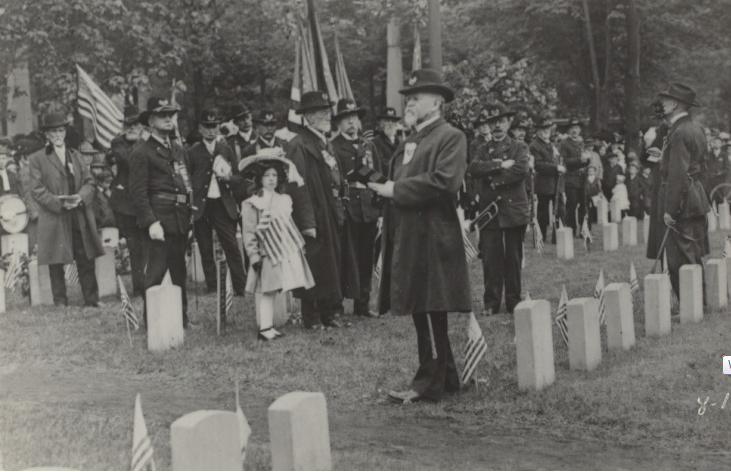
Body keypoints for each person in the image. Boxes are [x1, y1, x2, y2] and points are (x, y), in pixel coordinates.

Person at [369, 69, 471, 403]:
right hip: (410, 234)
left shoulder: (450, 136)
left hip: (432, 235)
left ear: (437, 102)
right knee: (422, 306)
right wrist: (380, 186)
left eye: (416, 97)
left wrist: (395, 189)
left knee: (428, 306)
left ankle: (428, 382)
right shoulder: (411, 140)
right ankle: (448, 376)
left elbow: (445, 182)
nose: (409, 102)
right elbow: (396, 181)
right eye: (408, 97)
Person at [29, 110, 105, 307]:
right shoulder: (37, 158)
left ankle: (91, 298)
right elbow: (37, 189)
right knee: (56, 257)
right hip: (55, 214)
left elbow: (90, 181)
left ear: (65, 132)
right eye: (52, 132)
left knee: (85, 254)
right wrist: (59, 202)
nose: (57, 135)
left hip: (78, 213)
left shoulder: (76, 155)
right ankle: (60, 299)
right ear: (46, 135)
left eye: (60, 131)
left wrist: (80, 197)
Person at [129, 97, 193, 328]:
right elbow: (138, 192)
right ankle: (153, 321)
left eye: (172, 115)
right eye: (163, 115)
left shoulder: (177, 149)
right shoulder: (141, 152)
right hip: (159, 218)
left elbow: (185, 183)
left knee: (179, 271)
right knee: (155, 272)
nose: (169, 119)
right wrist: (150, 222)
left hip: (179, 217)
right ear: (151, 121)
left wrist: (190, 215)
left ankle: (181, 317)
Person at [286, 91, 347, 330]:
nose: (326, 116)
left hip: (330, 210)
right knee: (313, 263)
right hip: (313, 213)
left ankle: (329, 313)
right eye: (320, 112)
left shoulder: (325, 142)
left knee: (330, 263)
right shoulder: (298, 145)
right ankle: (311, 317)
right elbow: (297, 186)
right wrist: (306, 221)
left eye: (326, 111)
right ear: (308, 116)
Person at [240, 156, 314, 341]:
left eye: (274, 175)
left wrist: (297, 247)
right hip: (266, 253)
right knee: (268, 290)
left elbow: (289, 224)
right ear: (259, 179)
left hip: (284, 249)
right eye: (267, 176)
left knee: (278, 289)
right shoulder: (252, 203)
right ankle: (265, 328)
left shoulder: (284, 199)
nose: (271, 179)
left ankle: (270, 326)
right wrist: (254, 256)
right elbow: (249, 232)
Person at [467, 102, 530, 316]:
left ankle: (513, 301)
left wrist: (493, 181)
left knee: (513, 258)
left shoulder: (519, 146)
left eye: (501, 121)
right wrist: (500, 165)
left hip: (513, 210)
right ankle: (491, 302)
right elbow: (474, 168)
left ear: (508, 122)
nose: (497, 126)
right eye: (492, 122)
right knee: (491, 259)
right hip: (490, 211)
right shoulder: (482, 149)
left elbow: (521, 170)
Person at [655, 83, 710, 297]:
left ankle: (693, 303)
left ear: (676, 104)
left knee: (680, 257)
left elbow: (678, 174)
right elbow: (703, 167)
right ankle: (699, 300)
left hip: (683, 200)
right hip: (695, 196)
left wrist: (670, 210)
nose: (662, 104)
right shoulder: (695, 128)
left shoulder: (678, 132)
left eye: (666, 100)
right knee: (692, 252)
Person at [330, 98, 381, 318]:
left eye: (354, 118)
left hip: (368, 207)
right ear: (339, 124)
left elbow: (377, 176)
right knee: (345, 256)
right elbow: (336, 179)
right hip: (348, 205)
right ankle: (338, 304)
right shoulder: (333, 147)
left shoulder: (368, 145)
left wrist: (379, 209)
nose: (352, 123)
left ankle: (363, 304)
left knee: (365, 257)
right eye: (346, 119)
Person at [188, 109, 246, 295]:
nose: (211, 131)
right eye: (207, 127)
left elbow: (238, 178)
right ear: (200, 129)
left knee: (231, 246)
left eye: (214, 126)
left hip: (222, 204)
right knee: (205, 248)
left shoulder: (226, 149)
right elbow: (188, 179)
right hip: (202, 206)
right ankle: (212, 286)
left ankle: (240, 286)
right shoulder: (192, 151)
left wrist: (228, 178)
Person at [108, 105, 149, 297]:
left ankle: (151, 283)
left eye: (136, 124)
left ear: (142, 126)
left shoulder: (147, 142)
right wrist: (144, 143)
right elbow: (128, 160)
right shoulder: (118, 143)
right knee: (135, 247)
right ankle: (139, 287)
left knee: (149, 244)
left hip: (147, 201)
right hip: (127, 205)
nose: (132, 128)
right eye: (128, 124)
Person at [530, 116, 564, 242]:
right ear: (538, 131)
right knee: (543, 212)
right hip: (544, 183)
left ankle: (558, 235)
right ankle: (541, 236)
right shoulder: (534, 146)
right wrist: (556, 168)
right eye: (543, 129)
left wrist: (559, 166)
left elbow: (558, 159)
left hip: (556, 182)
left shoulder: (551, 144)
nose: (546, 132)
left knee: (560, 209)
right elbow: (538, 165)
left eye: (548, 129)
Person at [559, 117, 590, 233]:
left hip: (583, 178)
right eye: (572, 128)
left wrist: (587, 160)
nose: (574, 130)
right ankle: (571, 229)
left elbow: (586, 159)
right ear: (568, 130)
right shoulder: (564, 143)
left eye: (577, 128)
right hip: (571, 178)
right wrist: (579, 160)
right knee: (571, 204)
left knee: (584, 204)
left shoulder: (582, 142)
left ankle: (585, 230)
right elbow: (564, 161)